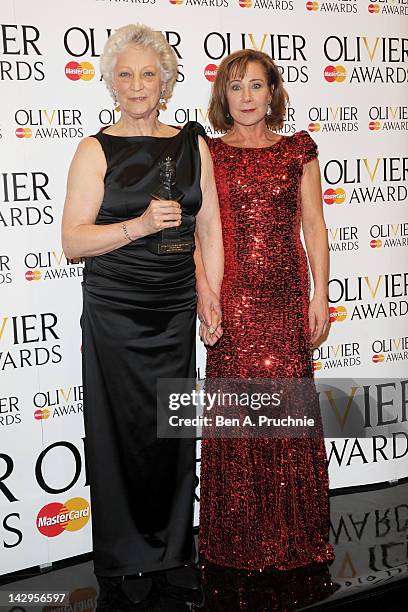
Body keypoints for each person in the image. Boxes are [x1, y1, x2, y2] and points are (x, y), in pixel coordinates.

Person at [61, 23, 223, 609]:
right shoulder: (93, 149)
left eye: (148, 73)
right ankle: (126, 558)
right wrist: (136, 226)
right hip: (115, 310)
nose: (137, 84)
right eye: (125, 74)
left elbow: (209, 227)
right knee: (119, 434)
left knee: (171, 433)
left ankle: (174, 551)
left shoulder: (191, 144)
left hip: (174, 308)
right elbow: (72, 242)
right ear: (109, 82)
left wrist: (210, 293)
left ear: (166, 82)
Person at [197, 49, 335, 571]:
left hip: (284, 297)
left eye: (256, 85)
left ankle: (293, 533)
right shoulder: (208, 153)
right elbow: (197, 234)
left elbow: (315, 227)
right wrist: (205, 294)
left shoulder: (297, 150)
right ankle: (238, 537)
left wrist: (320, 292)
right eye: (236, 87)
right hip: (234, 298)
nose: (247, 96)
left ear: (273, 92)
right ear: (223, 97)